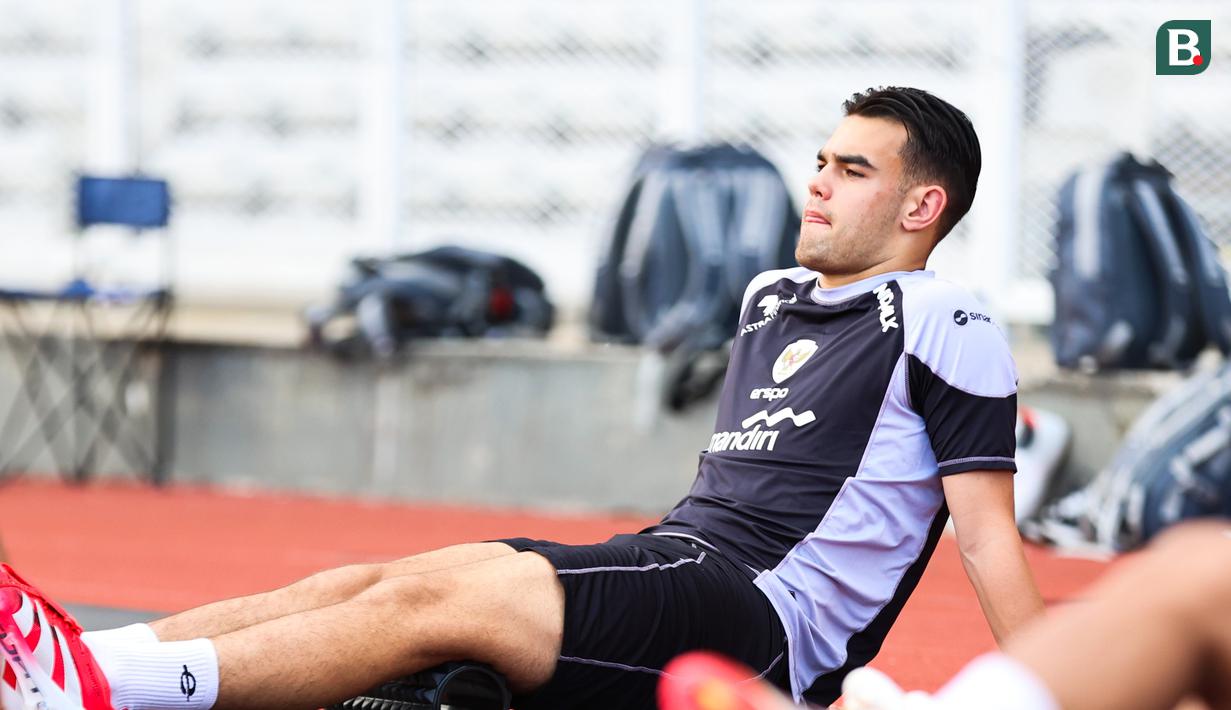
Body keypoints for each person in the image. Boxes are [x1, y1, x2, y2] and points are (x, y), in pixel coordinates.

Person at [0, 86, 1043, 710]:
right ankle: (75, 662)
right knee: (375, 579)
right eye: (817, 159)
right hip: (680, 552)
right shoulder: (771, 295)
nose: (814, 181)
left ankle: (96, 693)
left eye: (849, 169)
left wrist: (1058, 689)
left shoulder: (946, 316)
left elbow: (987, 538)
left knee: (445, 601)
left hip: (763, 618)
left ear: (921, 203)